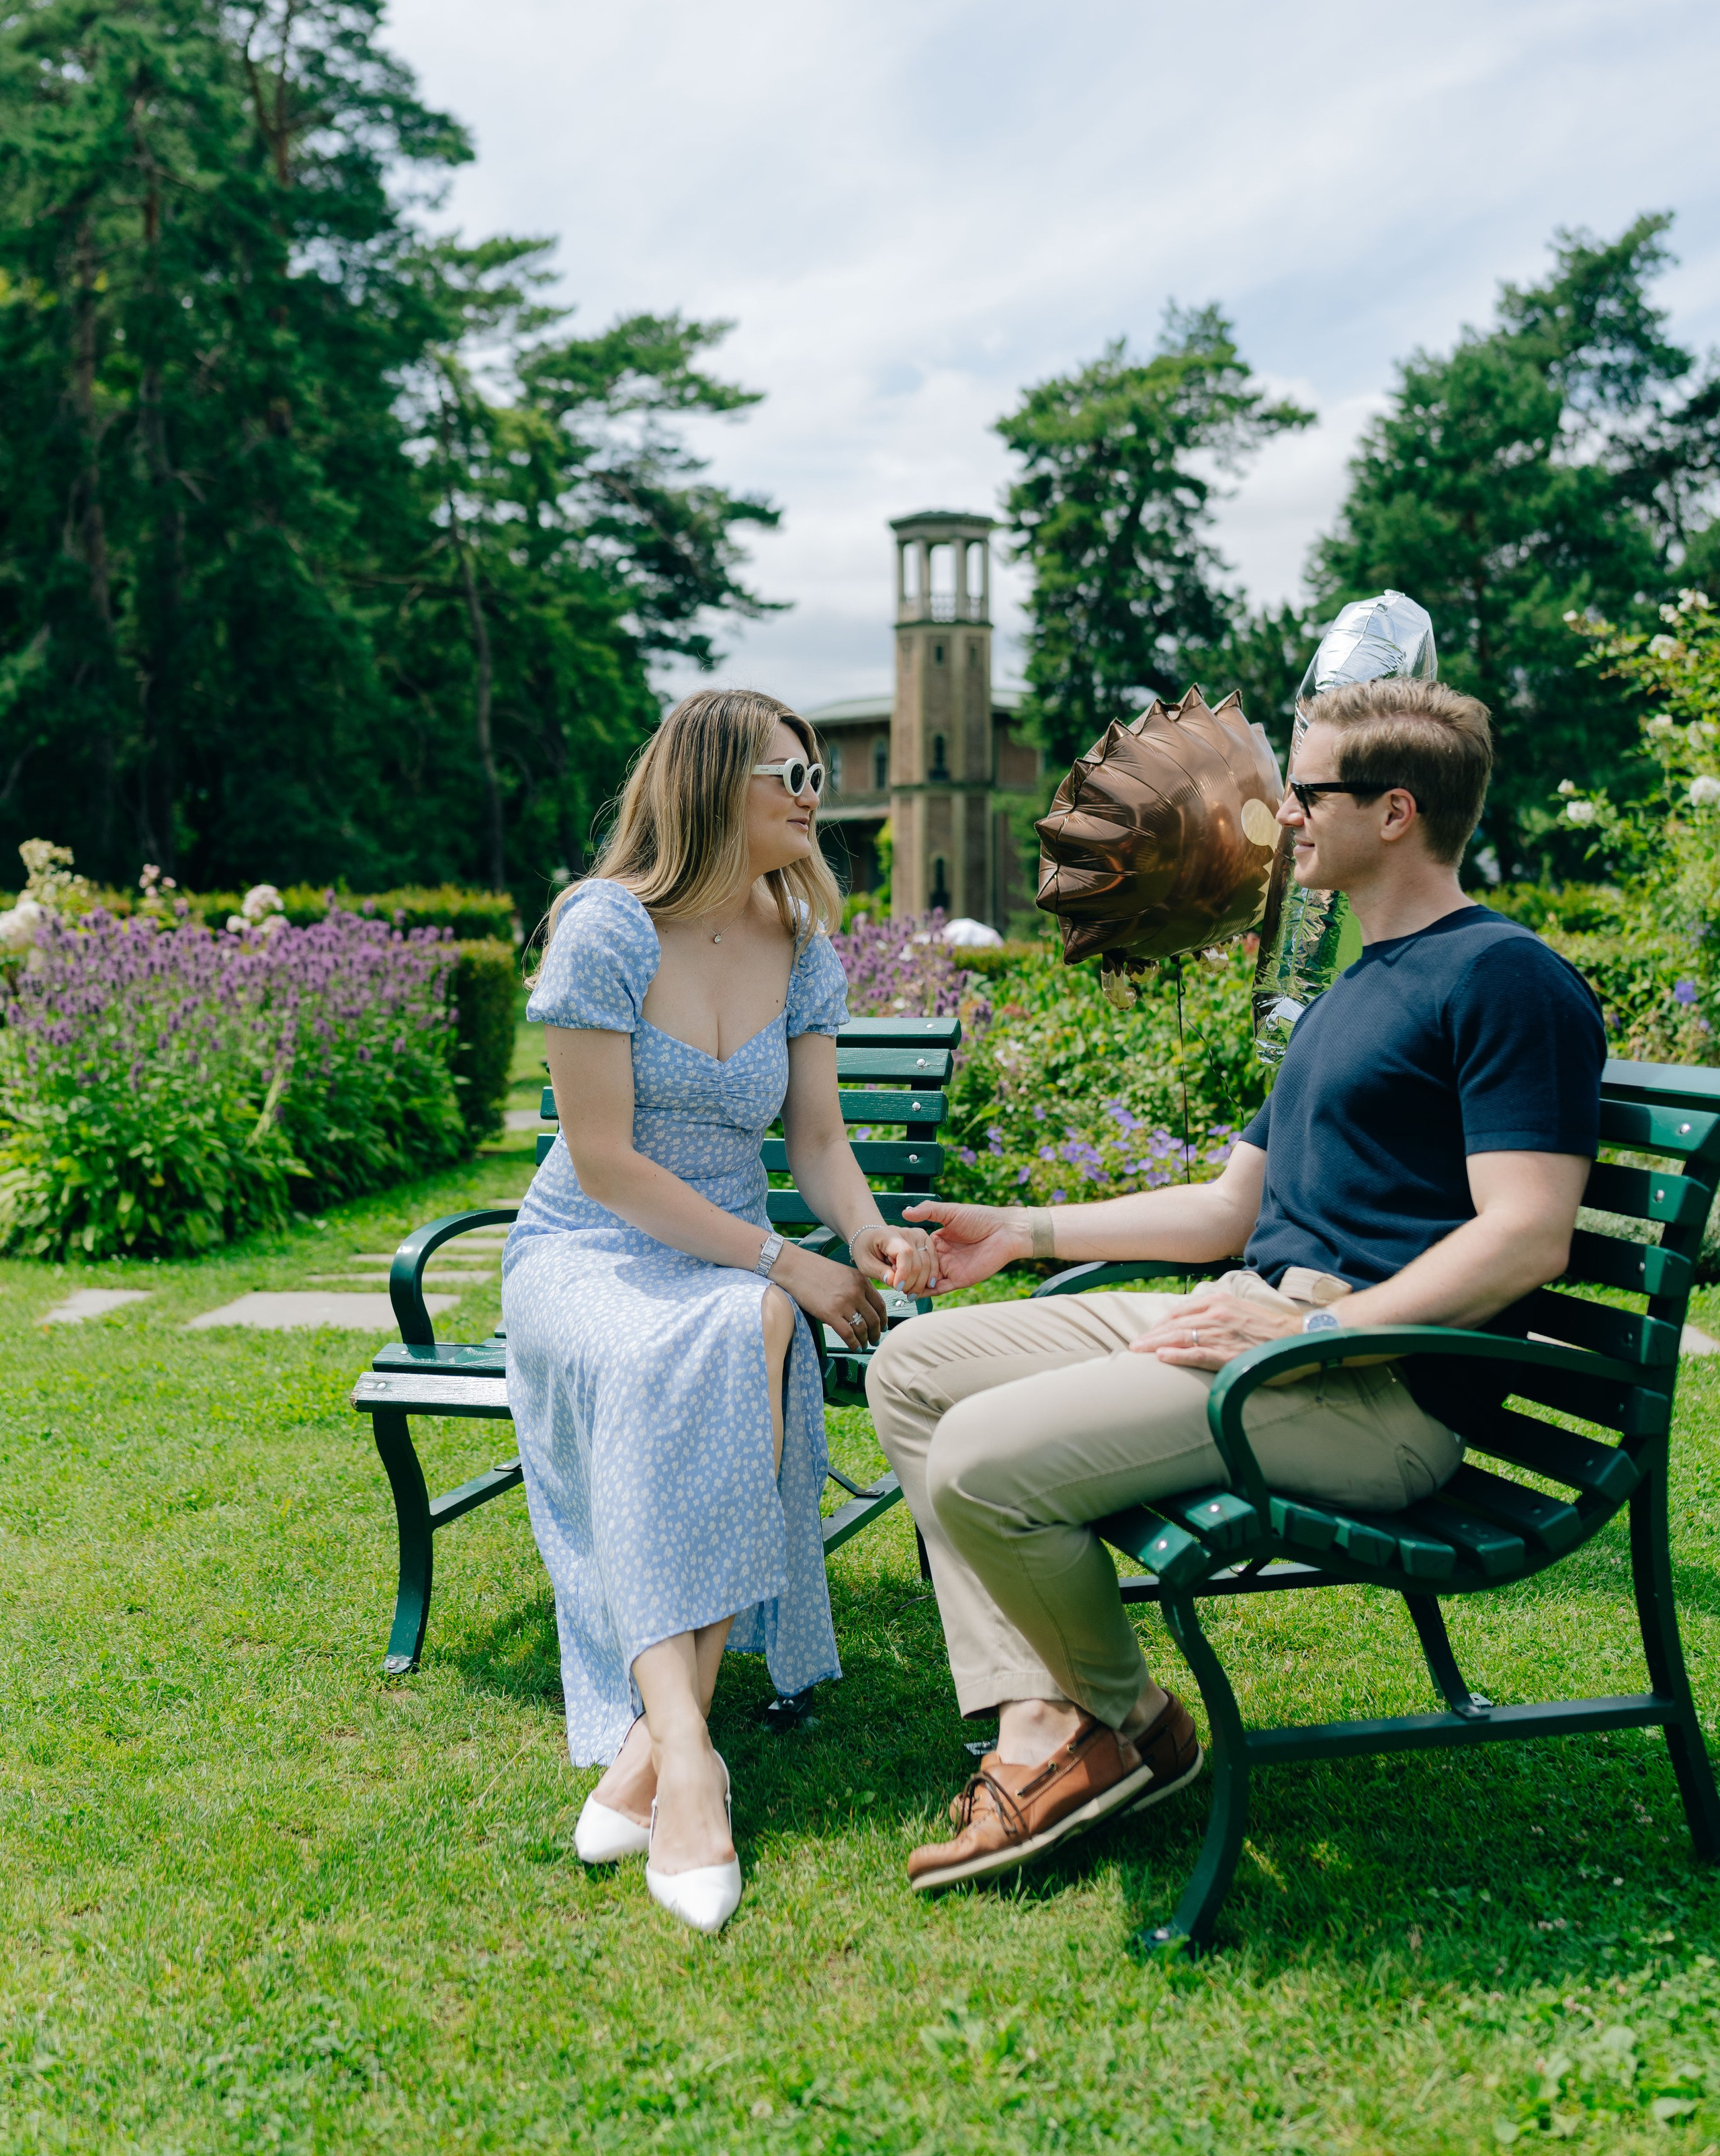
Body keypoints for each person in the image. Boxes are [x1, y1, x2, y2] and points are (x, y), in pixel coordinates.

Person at [869, 676, 1605, 1893]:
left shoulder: (1504, 980)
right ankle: (1048, 1720)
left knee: (982, 1459)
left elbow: (1527, 1237)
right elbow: (1231, 1211)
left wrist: (1319, 1322)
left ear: (1396, 812)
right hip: (1269, 1325)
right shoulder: (1354, 989)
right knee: (913, 1371)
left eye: (1307, 793)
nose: (1283, 817)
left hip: (1376, 1388)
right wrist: (1025, 1229)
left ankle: (1127, 1727)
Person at [502, 688, 935, 1933]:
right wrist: (784, 1264)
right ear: (706, 782)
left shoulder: (799, 939)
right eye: (786, 775)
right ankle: (693, 1764)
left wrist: (861, 1235)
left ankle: (659, 1750)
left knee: (746, 1327)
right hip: (591, 1251)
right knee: (721, 1331)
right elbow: (602, 1162)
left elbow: (817, 1138)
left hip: (728, 1264)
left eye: (815, 775)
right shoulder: (605, 929)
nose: (813, 795)